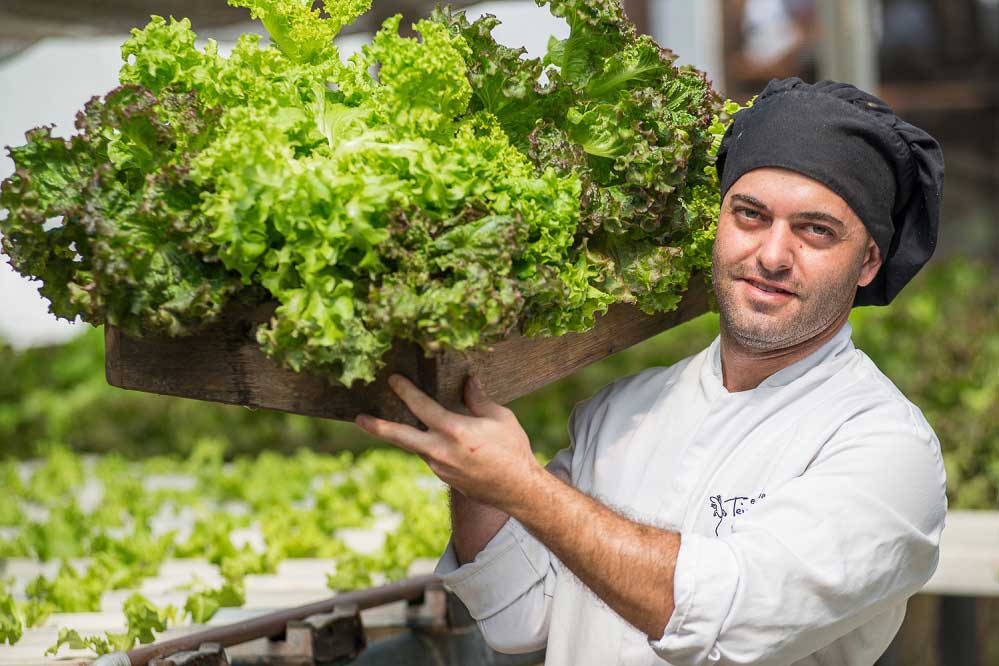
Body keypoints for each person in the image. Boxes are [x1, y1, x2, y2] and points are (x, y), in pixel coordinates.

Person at [354, 78, 948, 666]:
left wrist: (523, 486)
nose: (772, 255)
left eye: (815, 230)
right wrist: (469, 460)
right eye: (750, 215)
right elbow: (517, 617)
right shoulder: (623, 410)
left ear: (868, 260)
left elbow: (723, 618)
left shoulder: (884, 448)